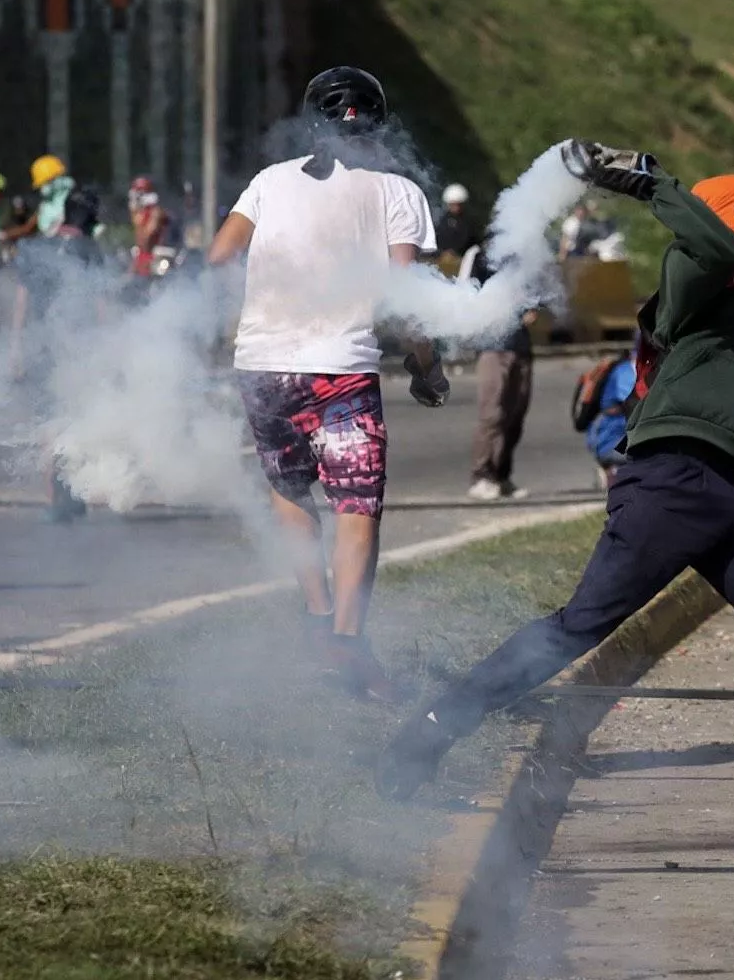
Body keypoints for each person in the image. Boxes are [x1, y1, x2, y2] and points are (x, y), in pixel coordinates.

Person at [376, 145, 734, 899]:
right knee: (576, 627)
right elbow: (710, 242)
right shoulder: (694, 281)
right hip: (671, 481)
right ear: (727, 214)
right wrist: (646, 180)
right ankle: (423, 739)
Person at [205, 66, 448, 704]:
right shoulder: (396, 191)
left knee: (291, 490)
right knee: (356, 505)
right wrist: (426, 364)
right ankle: (346, 644)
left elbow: (218, 257)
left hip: (262, 363)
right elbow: (404, 297)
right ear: (378, 122)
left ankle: (316, 620)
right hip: (341, 365)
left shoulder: (268, 181)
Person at [13, 185, 108, 521]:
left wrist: (17, 351)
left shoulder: (35, 248)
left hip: (41, 348)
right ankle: (73, 493)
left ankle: (54, 498)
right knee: (76, 418)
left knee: (47, 424)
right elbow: (100, 307)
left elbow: (21, 304)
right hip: (76, 350)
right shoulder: (89, 250)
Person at [460, 242, 535, 501]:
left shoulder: (525, 255)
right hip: (492, 344)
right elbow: (466, 292)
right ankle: (482, 474)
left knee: (516, 413)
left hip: (520, 344)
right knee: (492, 413)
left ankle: (502, 475)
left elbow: (537, 290)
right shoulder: (480, 255)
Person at [579, 346, 638, 488]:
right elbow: (638, 402)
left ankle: (614, 470)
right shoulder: (625, 372)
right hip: (613, 442)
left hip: (623, 440)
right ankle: (612, 470)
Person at [435, 182, 475, 261]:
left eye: (458, 204)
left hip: (462, 259)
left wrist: (454, 251)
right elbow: (439, 236)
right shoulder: (444, 219)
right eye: (452, 204)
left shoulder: (467, 221)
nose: (455, 207)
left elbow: (466, 240)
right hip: (442, 256)